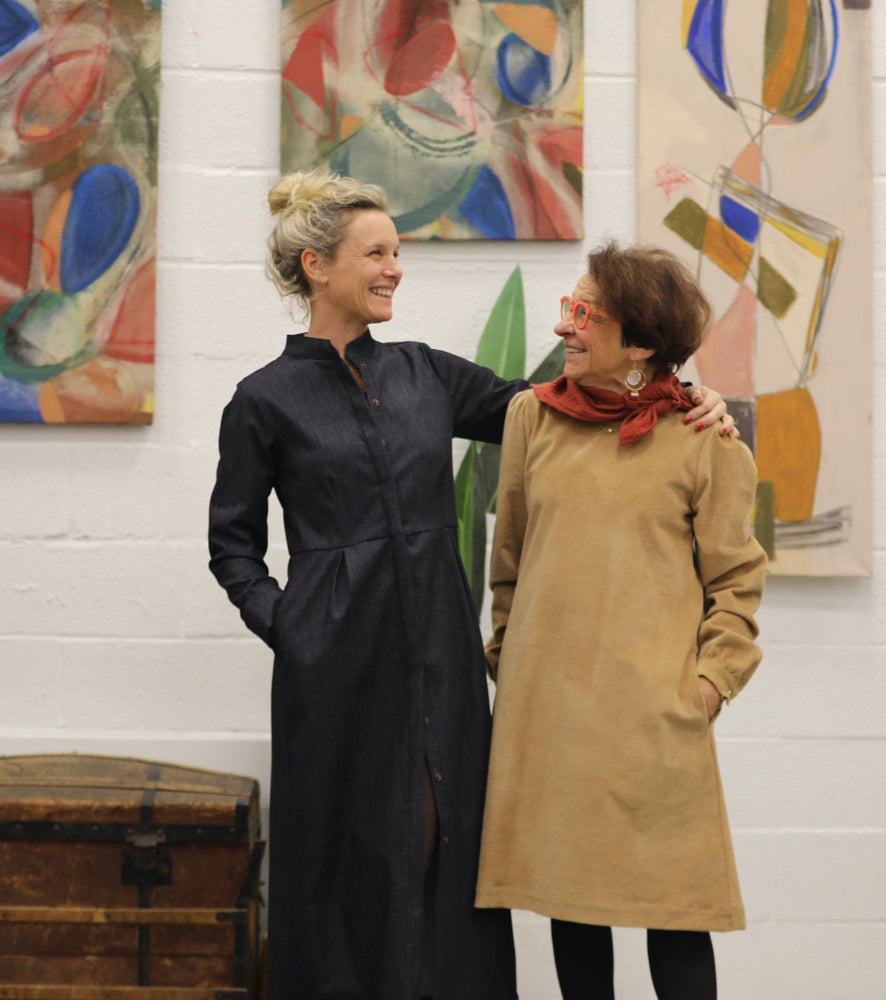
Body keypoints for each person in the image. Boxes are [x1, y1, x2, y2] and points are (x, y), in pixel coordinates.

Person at [207, 169, 734, 999]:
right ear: (317, 266)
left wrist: (682, 395)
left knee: (444, 852)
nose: (395, 268)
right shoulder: (262, 401)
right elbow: (232, 546)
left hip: (441, 662)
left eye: (396, 252)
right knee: (342, 866)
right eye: (377, 253)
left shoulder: (426, 374)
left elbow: (562, 403)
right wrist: (294, 626)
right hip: (333, 671)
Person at [475, 241, 767, 1000]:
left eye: (583, 313)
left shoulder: (705, 438)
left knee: (676, 910)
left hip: (654, 719)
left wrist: (708, 685)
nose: (564, 327)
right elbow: (509, 561)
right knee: (572, 907)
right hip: (551, 715)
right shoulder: (532, 417)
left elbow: (737, 581)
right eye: (567, 308)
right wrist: (510, 659)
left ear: (639, 343)